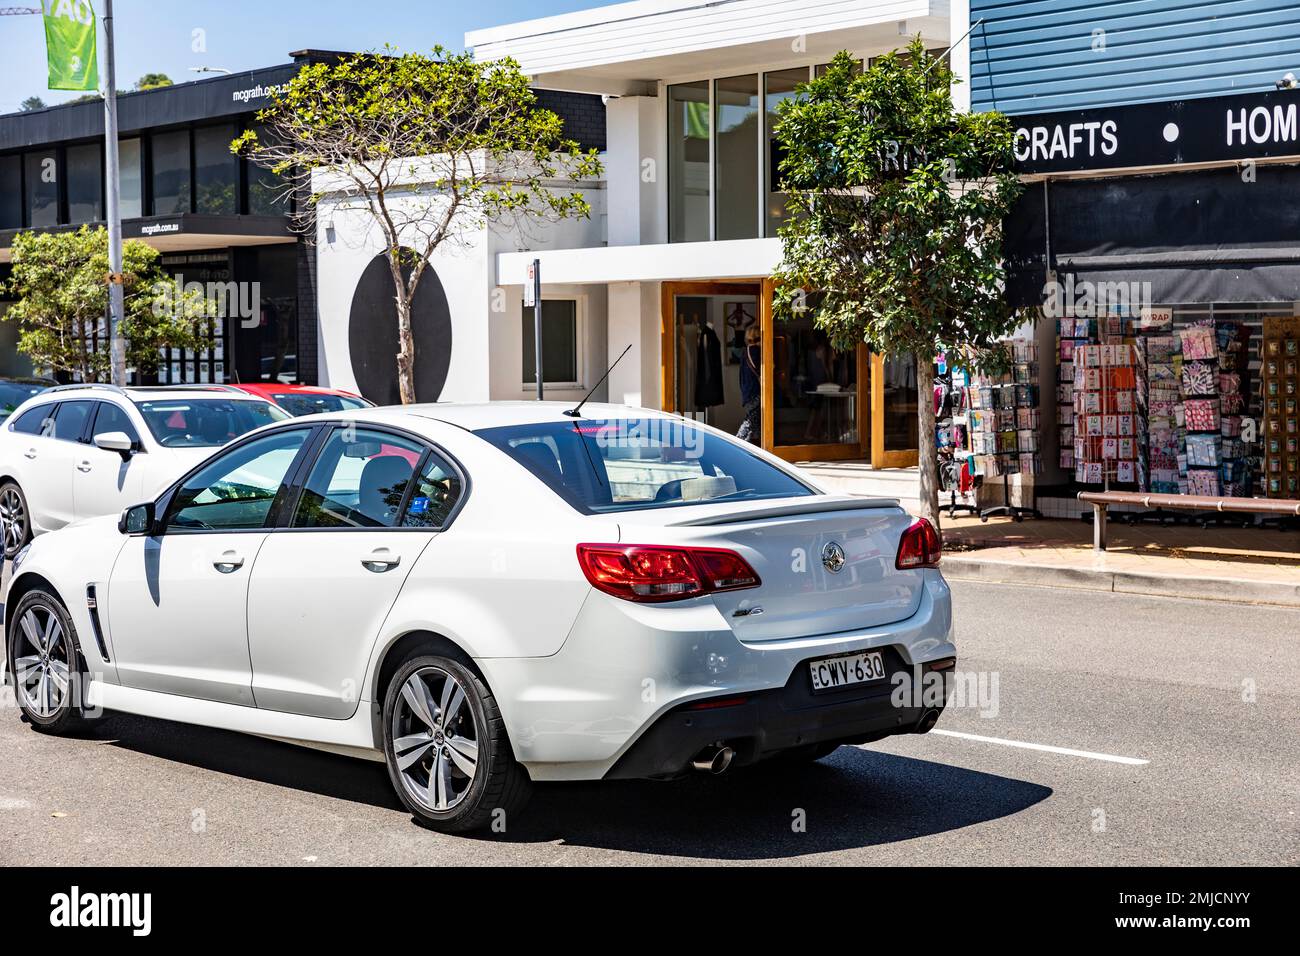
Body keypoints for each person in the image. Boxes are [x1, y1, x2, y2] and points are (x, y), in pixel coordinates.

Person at [737, 325, 761, 444]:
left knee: (754, 422)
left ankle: (749, 447)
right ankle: (738, 443)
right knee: (750, 422)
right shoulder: (755, 351)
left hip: (747, 392)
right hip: (755, 392)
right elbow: (762, 371)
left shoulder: (744, 352)